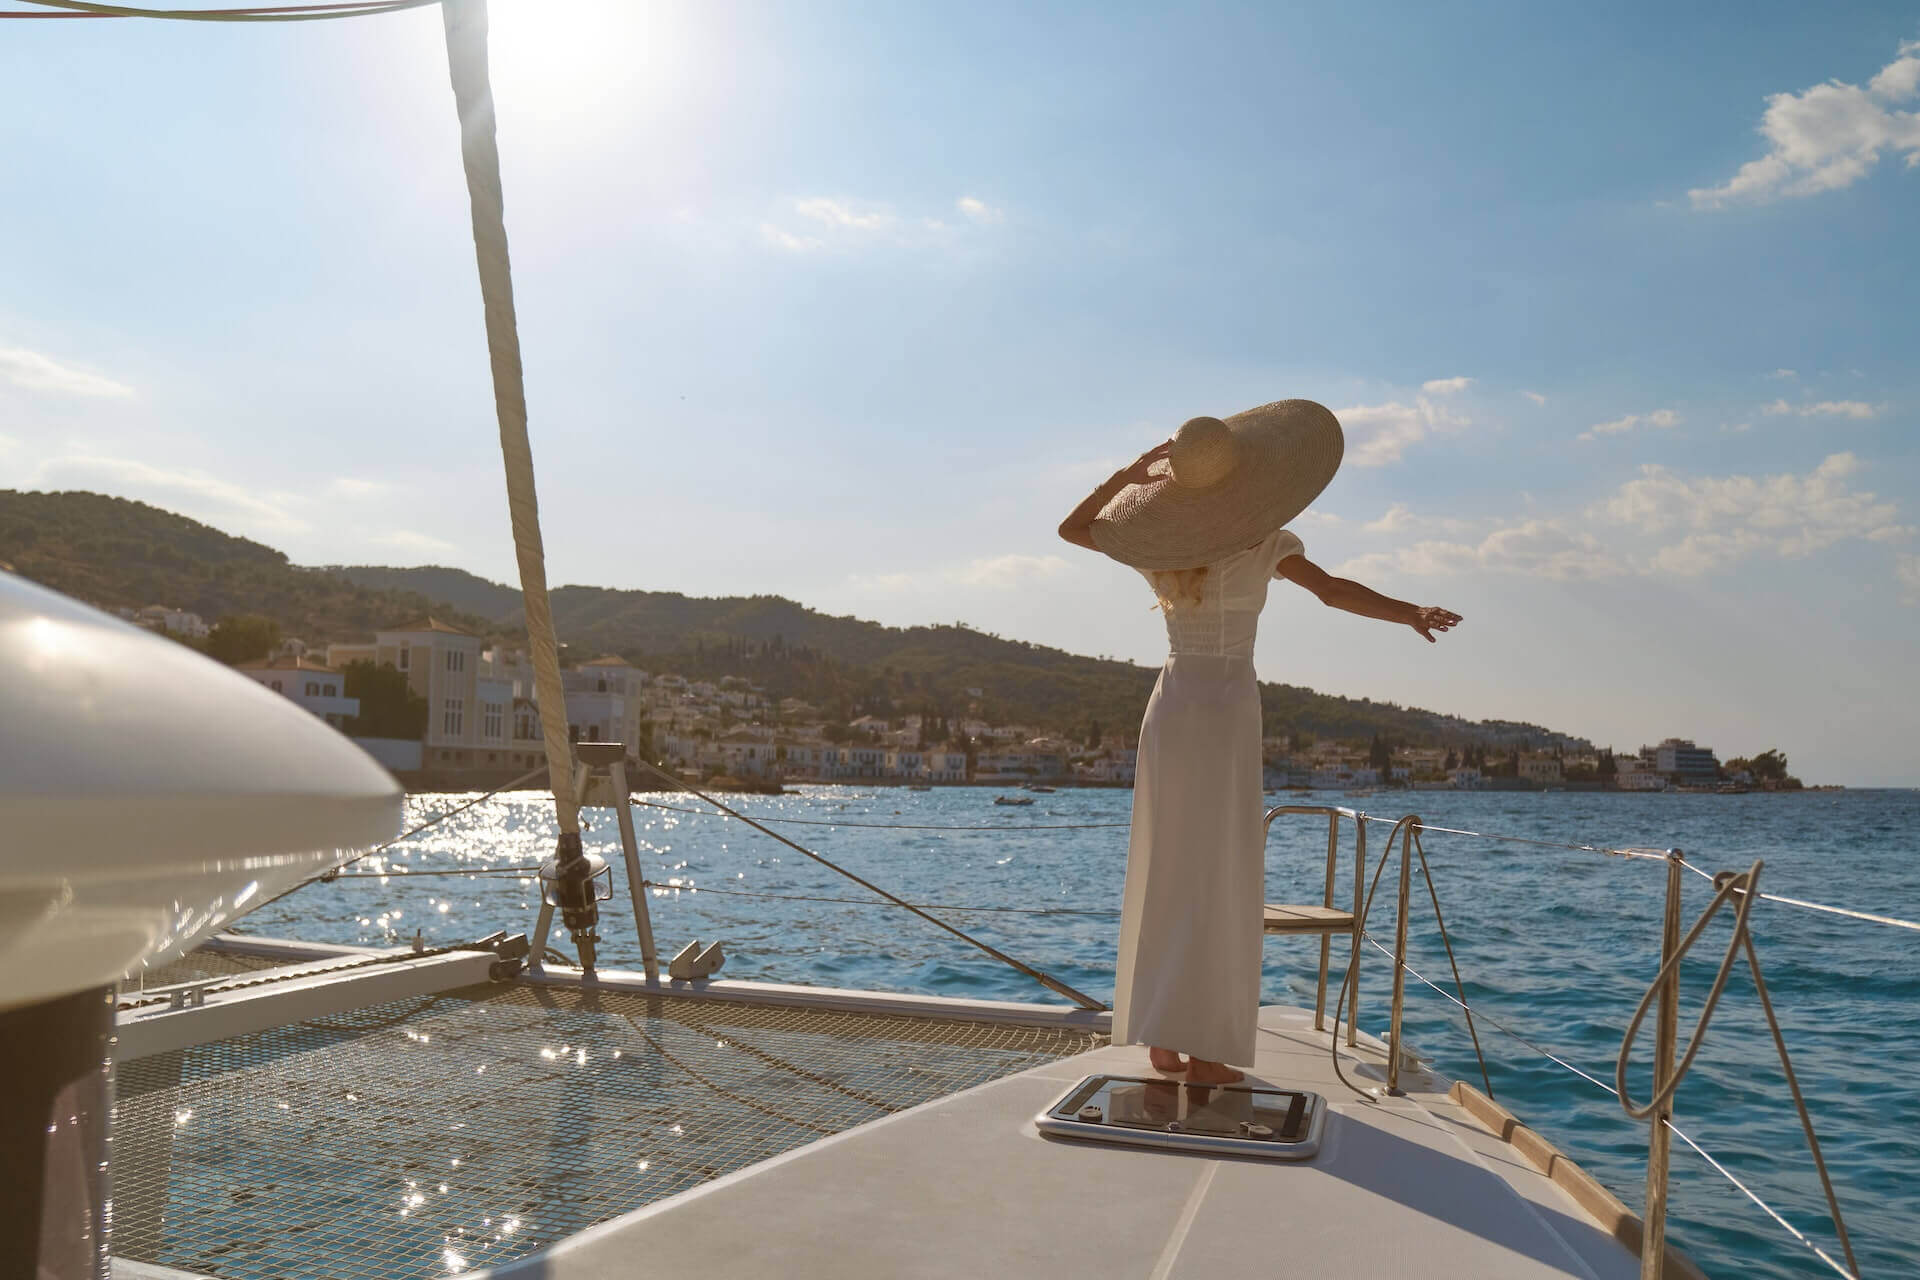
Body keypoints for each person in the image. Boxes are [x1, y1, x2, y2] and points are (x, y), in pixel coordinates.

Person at [1058, 400, 1460, 1084]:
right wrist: (1409, 613)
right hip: (1225, 705)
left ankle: (1165, 1037)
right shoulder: (1266, 540)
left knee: (1173, 863)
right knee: (1222, 869)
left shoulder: (1158, 546)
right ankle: (1206, 1048)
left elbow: (1073, 529)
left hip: (1175, 702)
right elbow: (1332, 592)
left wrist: (1126, 478)